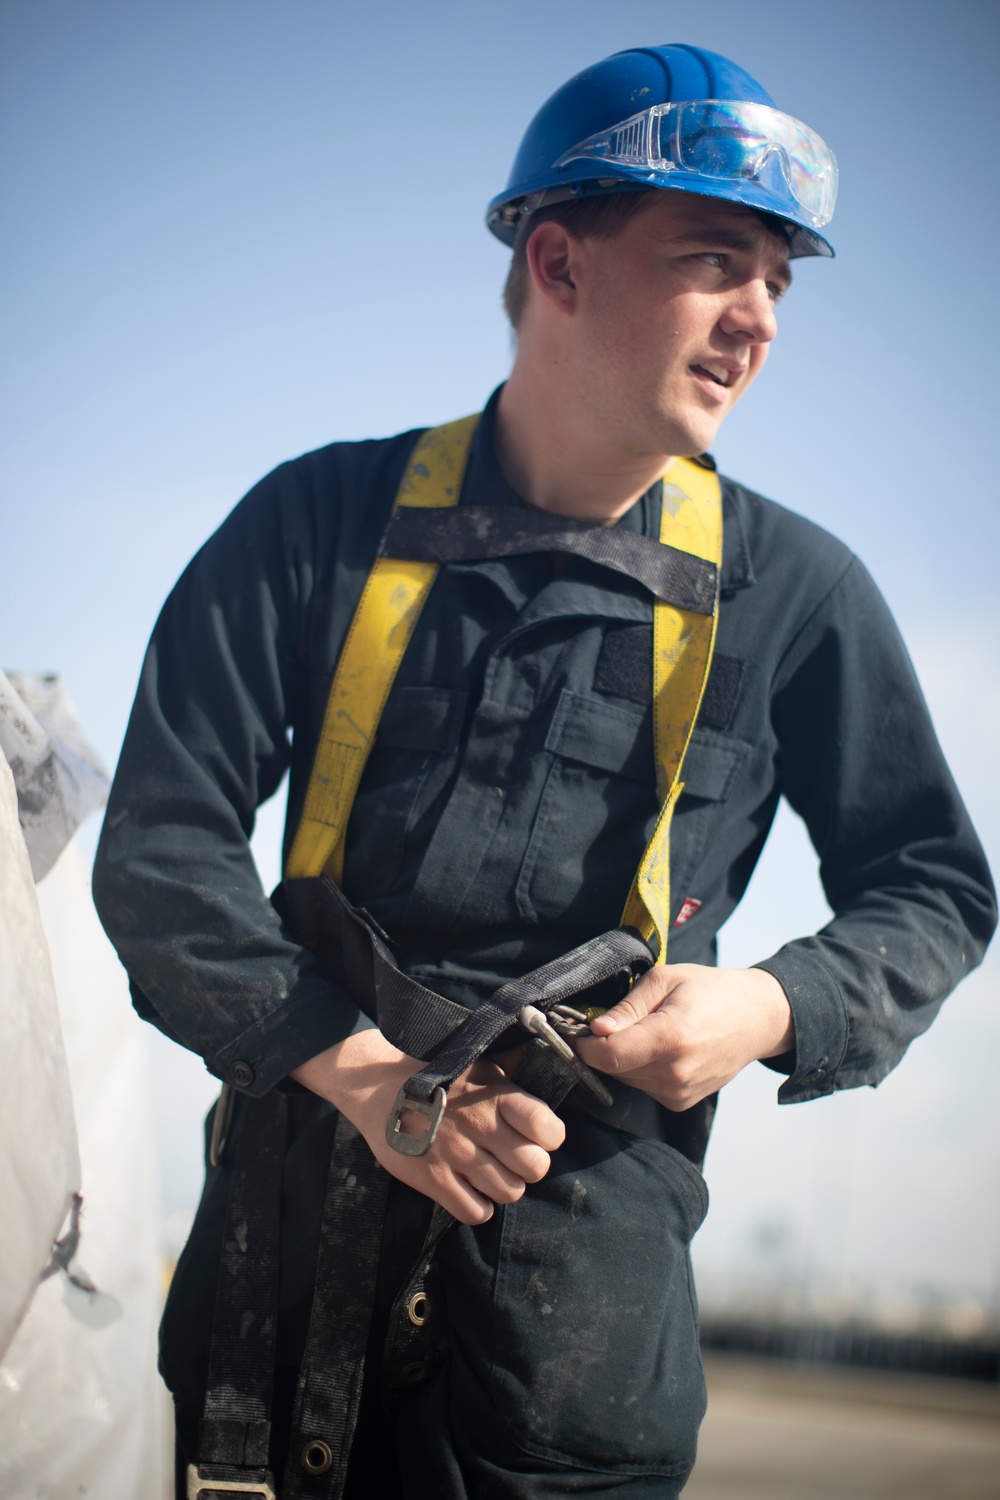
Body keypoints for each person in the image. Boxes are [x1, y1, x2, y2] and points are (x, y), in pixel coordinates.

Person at [94, 41, 996, 1500]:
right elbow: (161, 847)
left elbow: (936, 888)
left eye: (781, 280)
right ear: (562, 264)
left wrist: (766, 1007)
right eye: (717, 260)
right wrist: (376, 1079)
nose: (760, 318)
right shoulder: (316, 526)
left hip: (565, 1367)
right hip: (275, 1317)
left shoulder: (800, 596)